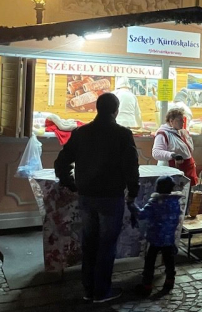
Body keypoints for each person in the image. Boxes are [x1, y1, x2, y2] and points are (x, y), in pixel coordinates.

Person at [54, 93, 139, 303]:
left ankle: (88, 289)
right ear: (116, 110)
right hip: (111, 197)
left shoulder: (81, 132)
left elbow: (61, 162)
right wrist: (133, 191)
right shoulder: (122, 134)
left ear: (97, 108)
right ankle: (102, 291)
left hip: (87, 196)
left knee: (90, 243)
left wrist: (69, 182)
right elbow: (131, 166)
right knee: (107, 244)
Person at [133, 176, 183, 296]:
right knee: (169, 260)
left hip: (155, 237)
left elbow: (141, 215)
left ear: (157, 188)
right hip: (169, 237)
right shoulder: (175, 201)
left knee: (150, 261)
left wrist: (131, 204)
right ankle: (169, 281)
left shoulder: (155, 202)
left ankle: (147, 285)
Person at [153, 108, 198, 185]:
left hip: (187, 170)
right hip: (171, 171)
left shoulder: (183, 132)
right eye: (180, 120)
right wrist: (173, 155)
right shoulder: (163, 134)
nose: (183, 122)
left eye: (183, 119)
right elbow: (156, 153)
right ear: (171, 121)